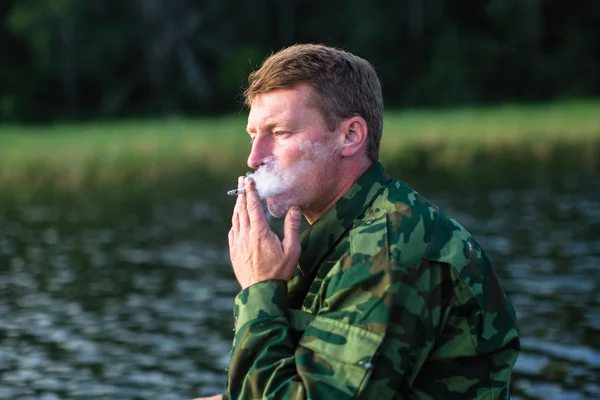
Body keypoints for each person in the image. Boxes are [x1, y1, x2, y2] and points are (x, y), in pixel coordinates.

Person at [198, 43, 520, 400]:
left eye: (280, 132)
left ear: (350, 136)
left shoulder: (388, 249)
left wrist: (260, 289)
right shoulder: (350, 233)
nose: (254, 157)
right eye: (253, 135)